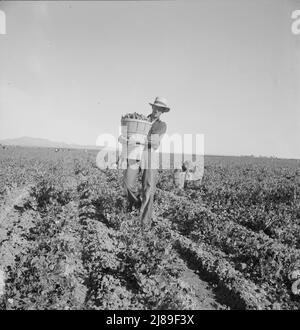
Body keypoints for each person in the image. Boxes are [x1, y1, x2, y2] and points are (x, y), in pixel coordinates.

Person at [120, 96, 170, 230]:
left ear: (163, 111)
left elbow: (154, 143)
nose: (157, 110)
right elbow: (127, 135)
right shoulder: (141, 120)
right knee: (127, 185)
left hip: (149, 156)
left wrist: (137, 139)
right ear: (152, 107)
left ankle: (145, 224)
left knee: (148, 190)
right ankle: (136, 204)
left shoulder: (161, 125)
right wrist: (124, 138)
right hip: (134, 155)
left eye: (161, 109)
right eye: (156, 107)